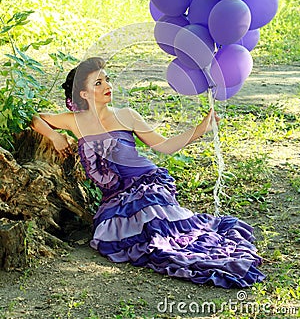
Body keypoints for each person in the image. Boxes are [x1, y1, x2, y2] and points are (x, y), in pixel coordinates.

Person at [31, 56, 265, 288]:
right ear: (83, 94)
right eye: (98, 83)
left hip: (146, 183)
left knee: (161, 230)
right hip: (116, 196)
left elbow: (165, 146)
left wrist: (201, 128)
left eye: (108, 80)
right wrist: (54, 135)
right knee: (113, 234)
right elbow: (36, 118)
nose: (108, 86)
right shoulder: (74, 121)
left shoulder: (126, 115)